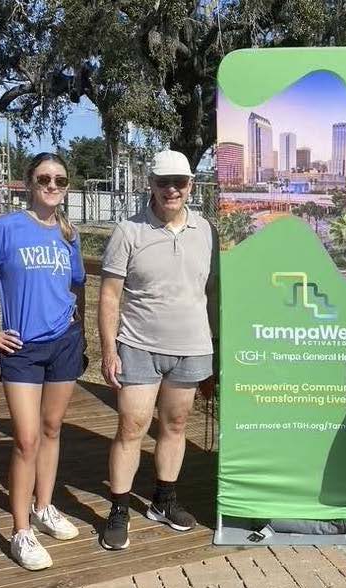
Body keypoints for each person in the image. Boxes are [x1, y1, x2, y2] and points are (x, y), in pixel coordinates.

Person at [0, 153, 86, 570]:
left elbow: (77, 284)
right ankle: (20, 532)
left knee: (51, 430)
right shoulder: (6, 228)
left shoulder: (69, 233)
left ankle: (43, 507)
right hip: (21, 349)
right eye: (44, 178)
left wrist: (78, 324)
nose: (52, 185)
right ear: (29, 182)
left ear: (67, 186)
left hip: (64, 344)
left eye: (60, 180)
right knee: (26, 439)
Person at [98, 149, 218, 551]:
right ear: (149, 183)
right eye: (163, 181)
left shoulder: (207, 230)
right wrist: (108, 350)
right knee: (131, 428)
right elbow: (110, 297)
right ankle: (118, 510)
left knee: (175, 427)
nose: (172, 189)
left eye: (179, 182)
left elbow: (212, 293)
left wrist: (214, 346)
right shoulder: (128, 231)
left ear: (191, 185)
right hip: (137, 345)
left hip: (191, 346)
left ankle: (163, 500)